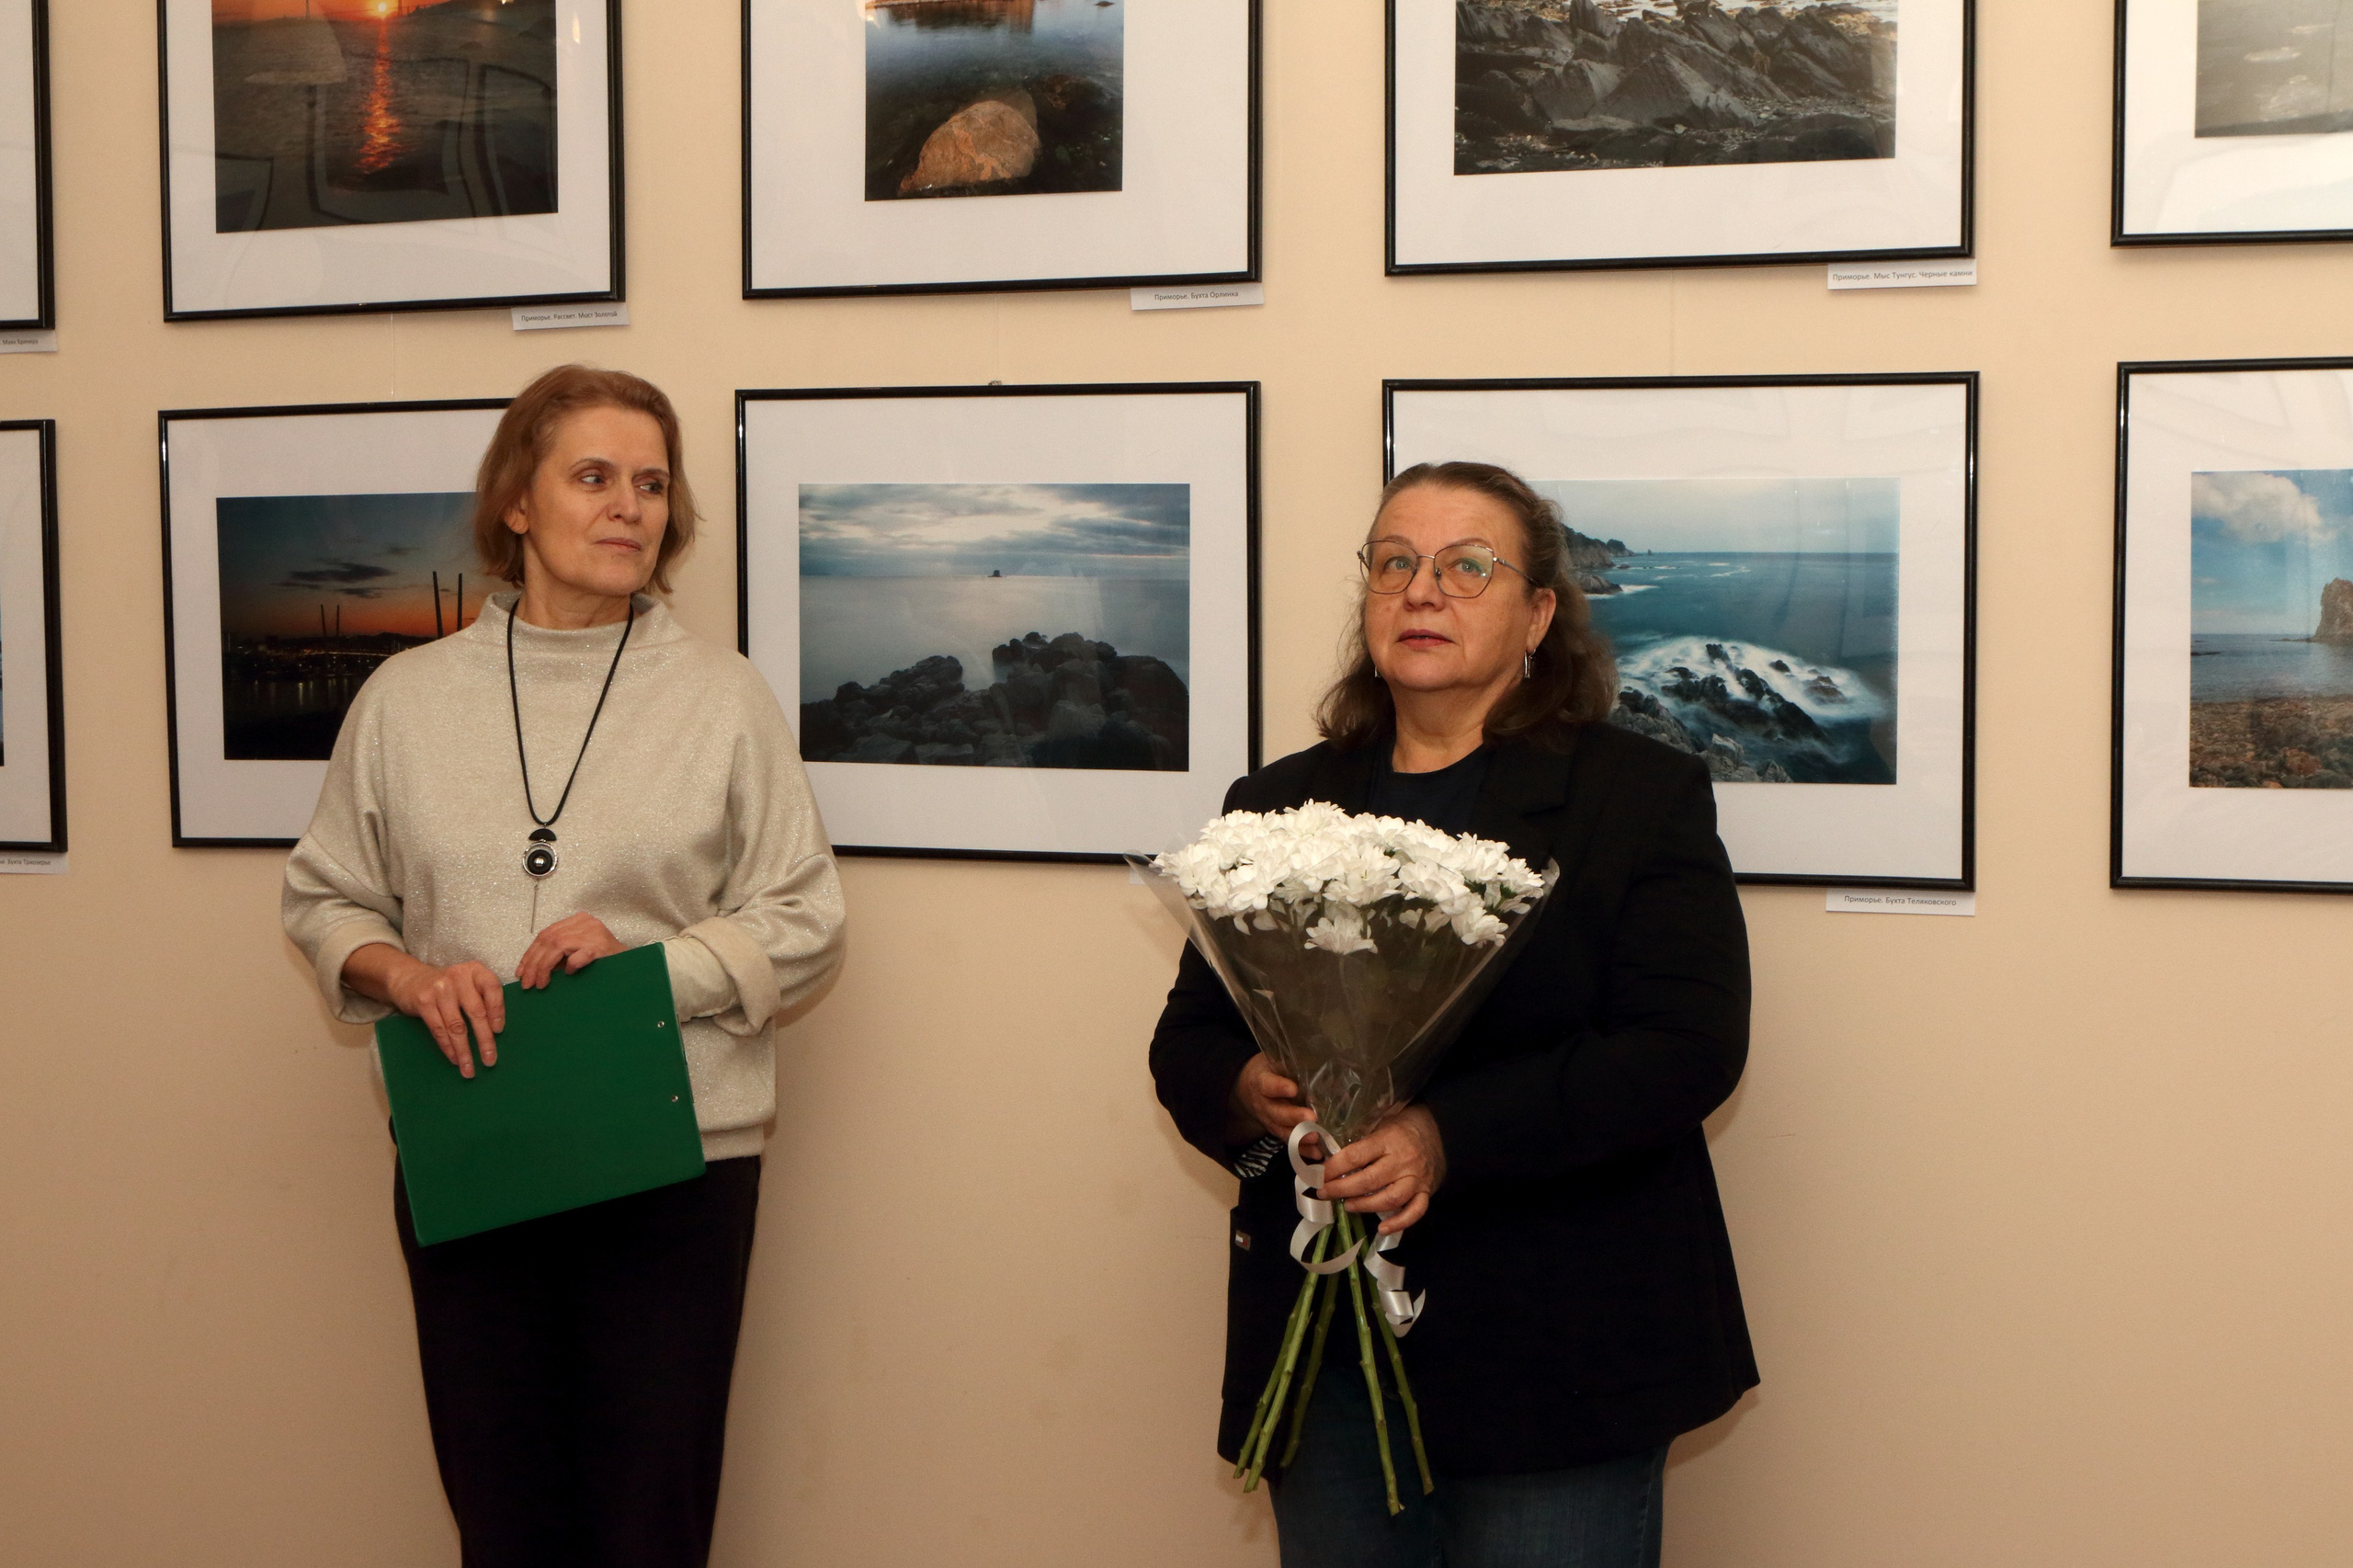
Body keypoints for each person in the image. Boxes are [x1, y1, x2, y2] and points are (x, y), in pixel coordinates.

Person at [281, 365, 847, 1568]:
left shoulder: (723, 698)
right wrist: (408, 976)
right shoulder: (403, 699)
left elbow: (807, 918)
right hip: (474, 1146)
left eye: (650, 482)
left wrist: (656, 966)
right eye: (593, 476)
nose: (628, 506)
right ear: (518, 504)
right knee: (506, 1522)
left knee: (651, 1525)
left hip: (677, 1171)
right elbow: (326, 898)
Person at [1148, 461, 1756, 1568]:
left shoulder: (1638, 797)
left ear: (1536, 615)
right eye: (1394, 563)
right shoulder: (1274, 802)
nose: (1421, 589)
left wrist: (1443, 1134)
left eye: (1466, 565)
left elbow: (1684, 1049)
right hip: (1325, 1345)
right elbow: (1188, 1038)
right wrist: (1250, 1090)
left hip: (1558, 1348)